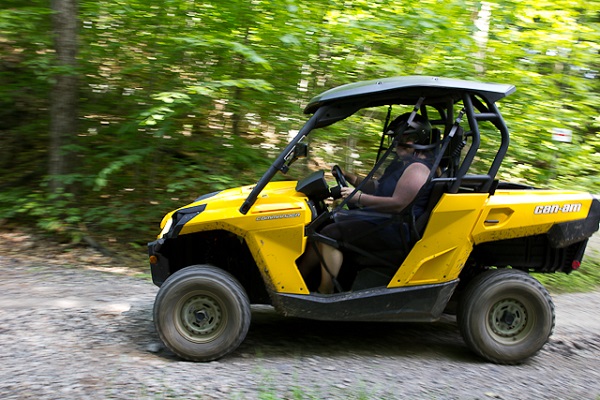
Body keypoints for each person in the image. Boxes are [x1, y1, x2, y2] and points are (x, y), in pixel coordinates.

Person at [298, 113, 436, 294]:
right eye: (397, 138)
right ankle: (301, 278)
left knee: (329, 233)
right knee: (324, 222)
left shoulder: (418, 169)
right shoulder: (402, 164)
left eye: (406, 138)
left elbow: (398, 204)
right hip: (382, 220)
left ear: (420, 139)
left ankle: (325, 289)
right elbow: (379, 187)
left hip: (395, 228)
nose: (398, 143)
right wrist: (350, 177)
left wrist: (358, 198)